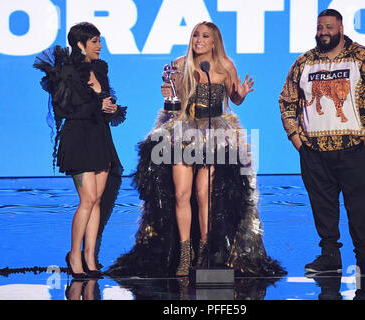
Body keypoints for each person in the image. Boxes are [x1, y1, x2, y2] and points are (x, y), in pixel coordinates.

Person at [107, 21, 286, 278]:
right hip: (183, 132)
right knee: (181, 194)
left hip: (214, 134)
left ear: (214, 41)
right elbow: (172, 102)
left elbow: (234, 99)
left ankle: (204, 251)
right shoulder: (180, 65)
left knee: (205, 196)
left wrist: (241, 94)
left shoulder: (225, 66)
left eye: (204, 36)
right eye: (195, 35)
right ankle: (184, 254)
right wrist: (169, 92)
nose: (198, 40)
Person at [279, 9, 365, 277]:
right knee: (322, 208)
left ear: (341, 28)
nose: (323, 32)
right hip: (314, 152)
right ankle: (330, 256)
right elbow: (286, 101)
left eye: (329, 27)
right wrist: (297, 139)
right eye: (320, 28)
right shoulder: (304, 62)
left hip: (354, 150)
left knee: (360, 207)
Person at [34, 22, 127, 279]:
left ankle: (89, 257)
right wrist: (99, 105)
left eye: (100, 40)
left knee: (97, 200)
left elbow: (107, 102)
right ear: (80, 44)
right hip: (78, 140)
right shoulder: (65, 72)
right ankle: (74, 255)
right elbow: (66, 110)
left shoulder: (100, 69)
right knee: (86, 200)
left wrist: (111, 108)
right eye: (95, 41)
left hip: (100, 138)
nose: (100, 46)